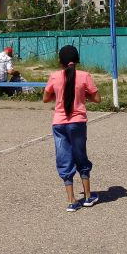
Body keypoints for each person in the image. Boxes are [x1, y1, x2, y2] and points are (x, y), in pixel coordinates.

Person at [43, 45, 101, 212]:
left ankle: (71, 200)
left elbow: (45, 98)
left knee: (64, 158)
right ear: (77, 60)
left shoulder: (54, 76)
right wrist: (83, 95)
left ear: (60, 61)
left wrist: (58, 95)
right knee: (80, 155)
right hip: (77, 122)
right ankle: (88, 196)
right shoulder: (84, 76)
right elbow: (97, 98)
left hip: (59, 122)